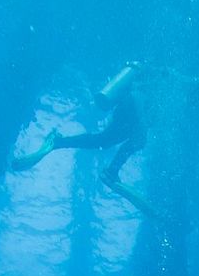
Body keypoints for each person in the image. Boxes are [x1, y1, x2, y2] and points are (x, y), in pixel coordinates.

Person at [11, 62, 162, 218]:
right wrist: (142, 124)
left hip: (133, 109)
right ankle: (110, 170)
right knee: (123, 140)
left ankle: (62, 143)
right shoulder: (163, 84)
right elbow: (139, 96)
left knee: (105, 140)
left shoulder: (162, 84)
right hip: (133, 106)